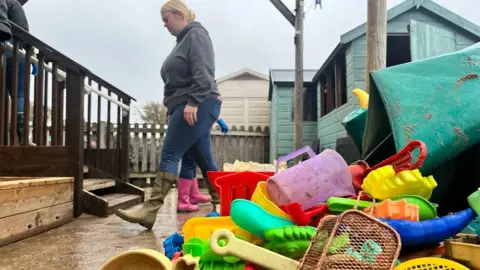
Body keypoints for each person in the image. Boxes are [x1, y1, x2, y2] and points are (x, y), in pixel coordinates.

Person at [116, 0, 222, 230]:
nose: (164, 25)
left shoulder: (196, 35)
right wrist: (172, 107)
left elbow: (204, 71)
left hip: (198, 102)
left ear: (179, 14)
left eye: (166, 19)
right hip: (188, 104)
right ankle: (222, 204)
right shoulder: (182, 41)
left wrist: (193, 102)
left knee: (170, 154)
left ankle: (150, 210)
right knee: (204, 158)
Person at [1, 0, 38, 145]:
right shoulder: (13, 4)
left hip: (5, 52)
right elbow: (23, 31)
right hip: (15, 55)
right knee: (19, 95)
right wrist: (31, 53)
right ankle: (22, 136)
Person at [176, 117, 228, 212]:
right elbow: (204, 104)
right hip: (198, 122)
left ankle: (189, 198)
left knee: (189, 161)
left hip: (183, 123)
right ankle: (219, 203)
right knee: (207, 163)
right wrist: (218, 118)